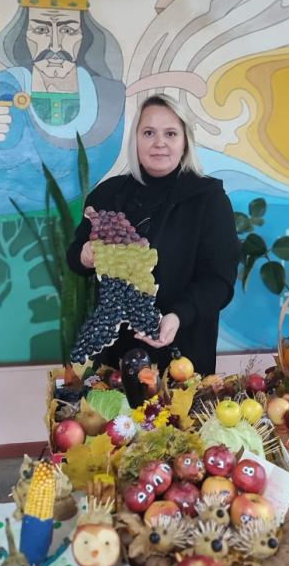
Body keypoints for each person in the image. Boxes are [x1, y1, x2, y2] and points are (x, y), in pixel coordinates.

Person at [67, 93, 240, 375]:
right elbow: (75, 256)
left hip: (182, 350)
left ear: (185, 142)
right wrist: (84, 256)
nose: (159, 142)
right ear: (135, 139)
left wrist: (178, 315)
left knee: (177, 403)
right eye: (149, 133)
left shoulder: (208, 200)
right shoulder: (108, 194)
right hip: (115, 354)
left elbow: (219, 280)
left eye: (170, 133)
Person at [0, 0, 125, 215]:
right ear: (24, 35)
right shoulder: (3, 89)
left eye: (68, 30)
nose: (54, 44)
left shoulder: (109, 95)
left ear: (84, 36)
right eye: (41, 29)